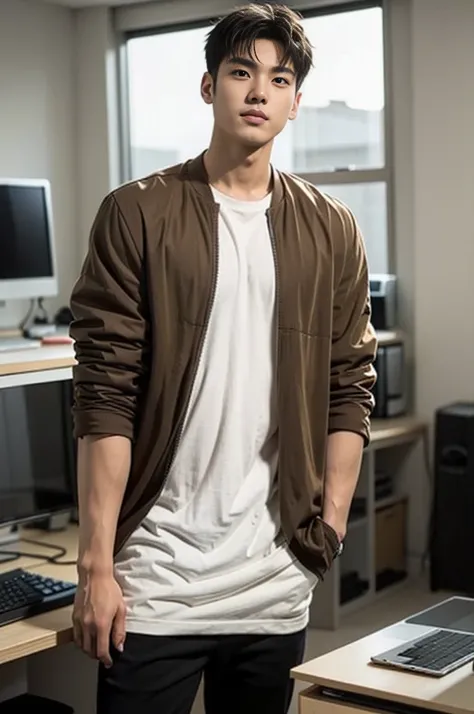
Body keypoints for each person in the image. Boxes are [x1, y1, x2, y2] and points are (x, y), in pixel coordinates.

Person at [69, 3, 377, 713]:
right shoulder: (137, 213)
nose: (259, 91)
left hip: (273, 582)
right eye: (241, 72)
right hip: (156, 579)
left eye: (278, 78)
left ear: (296, 101)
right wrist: (96, 566)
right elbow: (104, 394)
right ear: (210, 87)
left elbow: (349, 381)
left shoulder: (331, 228)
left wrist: (327, 524)